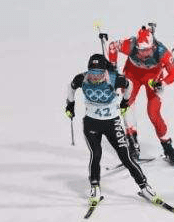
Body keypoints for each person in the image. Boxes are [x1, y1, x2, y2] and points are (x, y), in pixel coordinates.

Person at [65, 54, 156, 208]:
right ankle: (95, 187)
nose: (95, 78)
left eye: (99, 73)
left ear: (105, 71)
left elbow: (130, 85)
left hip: (112, 123)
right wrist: (70, 105)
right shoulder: (82, 78)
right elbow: (71, 87)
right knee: (96, 154)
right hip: (91, 124)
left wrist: (125, 101)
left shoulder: (114, 78)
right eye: (92, 74)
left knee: (126, 157)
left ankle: (144, 187)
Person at [105, 25, 174, 165]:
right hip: (132, 74)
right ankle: (133, 143)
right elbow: (112, 46)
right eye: (140, 50)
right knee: (127, 104)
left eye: (147, 50)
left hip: (153, 78)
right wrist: (113, 68)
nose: (143, 53)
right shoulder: (131, 45)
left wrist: (162, 83)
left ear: (153, 47)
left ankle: (168, 147)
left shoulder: (162, 52)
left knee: (153, 113)